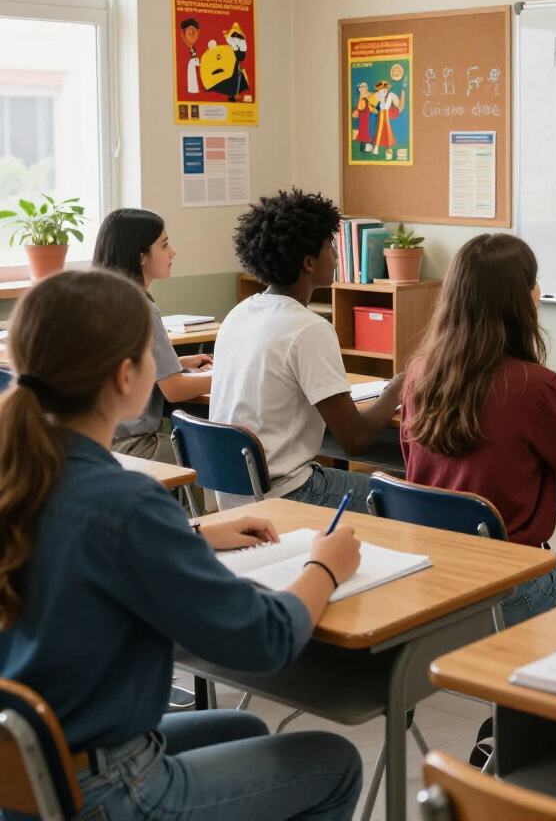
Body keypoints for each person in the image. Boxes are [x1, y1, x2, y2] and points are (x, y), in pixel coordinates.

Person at [0, 269, 364, 821]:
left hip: (36, 767)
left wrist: (190, 533)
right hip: (109, 789)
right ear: (127, 376)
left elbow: (78, 545)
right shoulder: (126, 503)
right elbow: (264, 640)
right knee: (334, 762)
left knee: (240, 727)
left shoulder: (21, 476)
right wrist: (324, 567)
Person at [401, 233, 556, 627]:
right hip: (505, 588)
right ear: (520, 299)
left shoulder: (419, 375)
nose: (538, 290)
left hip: (432, 578)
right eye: (532, 282)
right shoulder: (535, 387)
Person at [210, 188, 402, 511]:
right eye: (330, 247)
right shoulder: (309, 328)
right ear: (309, 262)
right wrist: (395, 391)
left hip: (232, 493)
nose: (337, 255)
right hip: (284, 496)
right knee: (402, 496)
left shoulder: (239, 314)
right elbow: (355, 441)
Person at [93, 208, 213, 464]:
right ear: (141, 257)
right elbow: (175, 390)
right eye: (164, 244)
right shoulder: (140, 307)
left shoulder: (98, 297)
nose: (173, 251)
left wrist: (176, 364)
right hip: (131, 447)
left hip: (93, 441)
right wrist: (227, 375)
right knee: (214, 456)